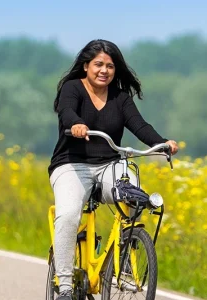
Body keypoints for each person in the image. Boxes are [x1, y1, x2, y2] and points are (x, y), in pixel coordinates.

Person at [48, 39, 178, 299]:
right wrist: (76, 124)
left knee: (136, 199)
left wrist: (162, 143)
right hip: (72, 165)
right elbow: (66, 111)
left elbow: (139, 125)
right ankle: (64, 286)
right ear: (86, 66)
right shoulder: (73, 88)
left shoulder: (120, 98)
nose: (104, 70)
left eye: (110, 66)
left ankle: (126, 256)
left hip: (110, 164)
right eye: (98, 64)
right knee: (69, 215)